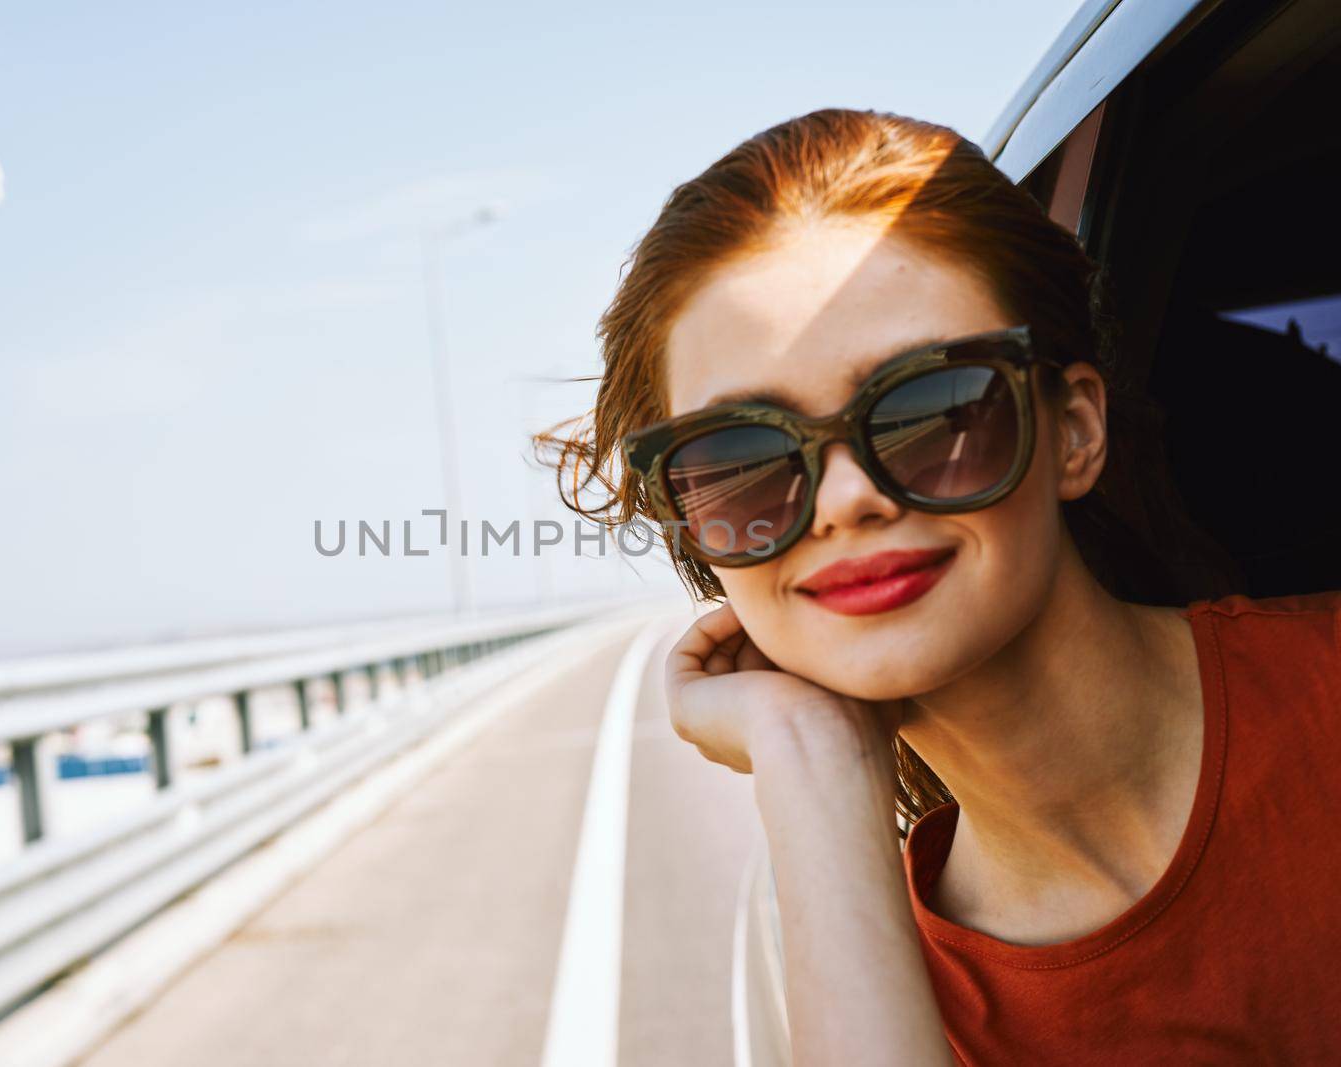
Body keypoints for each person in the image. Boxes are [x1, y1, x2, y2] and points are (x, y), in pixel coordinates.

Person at [534, 109, 1341, 1063]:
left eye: (931, 408)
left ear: (1074, 430)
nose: (846, 498)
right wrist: (811, 757)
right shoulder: (848, 963)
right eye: (743, 459)